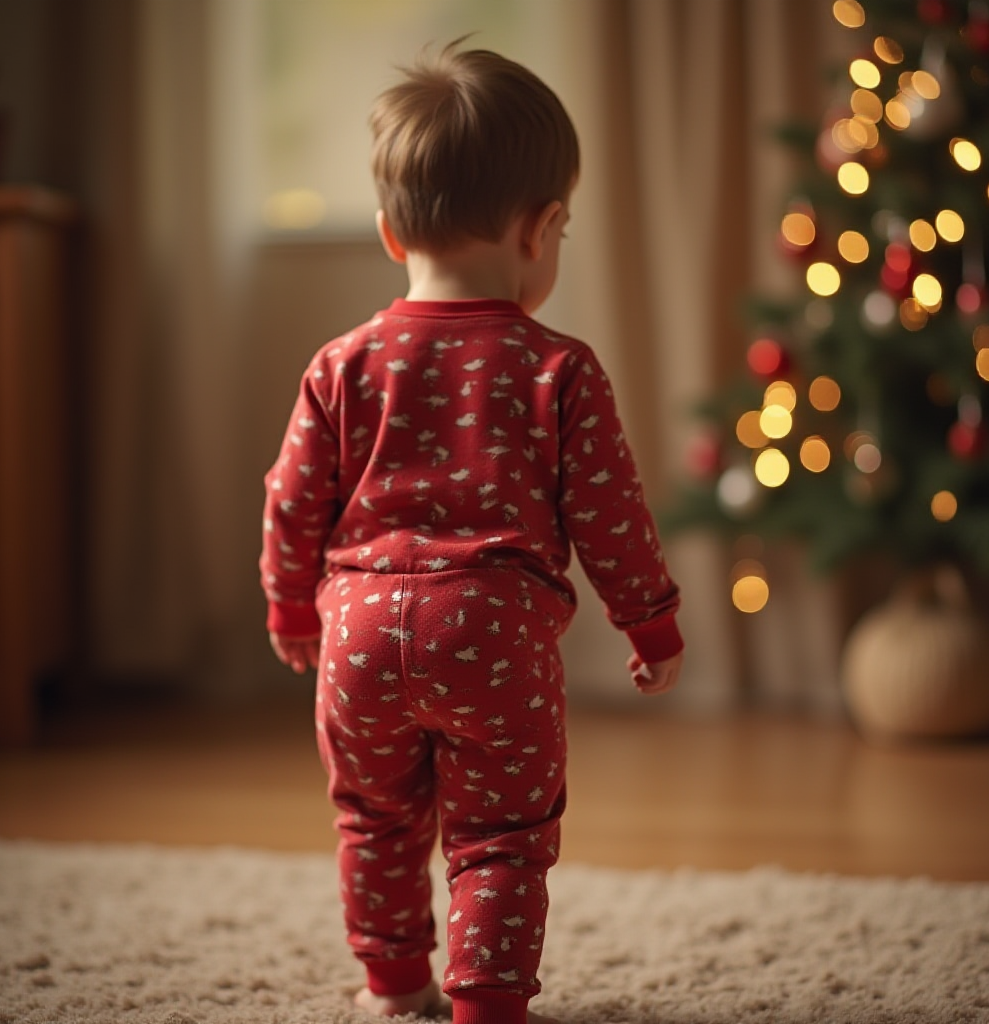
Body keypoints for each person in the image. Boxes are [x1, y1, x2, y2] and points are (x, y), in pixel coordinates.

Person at [260, 38, 684, 1024]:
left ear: (387, 234)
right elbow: (610, 513)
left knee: (374, 818)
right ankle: (487, 1002)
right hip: (490, 636)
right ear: (540, 231)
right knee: (501, 833)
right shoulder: (559, 368)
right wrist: (650, 625)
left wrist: (290, 601)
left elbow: (292, 496)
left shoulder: (341, 364)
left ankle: (393, 982)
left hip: (357, 637)